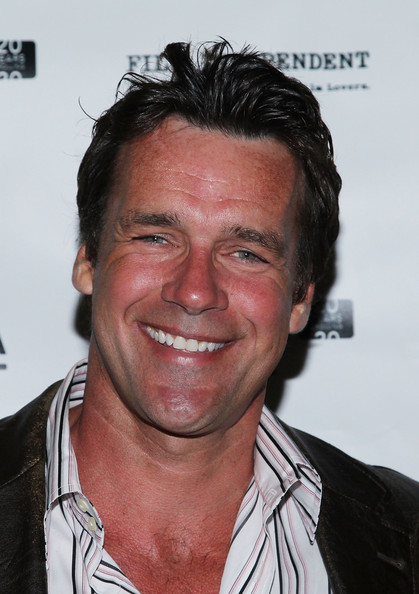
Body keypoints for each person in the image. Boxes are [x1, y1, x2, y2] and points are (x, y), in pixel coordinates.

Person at [0, 40, 418, 594]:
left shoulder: (407, 538)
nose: (195, 292)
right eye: (156, 237)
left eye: (246, 253)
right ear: (89, 260)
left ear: (300, 299)